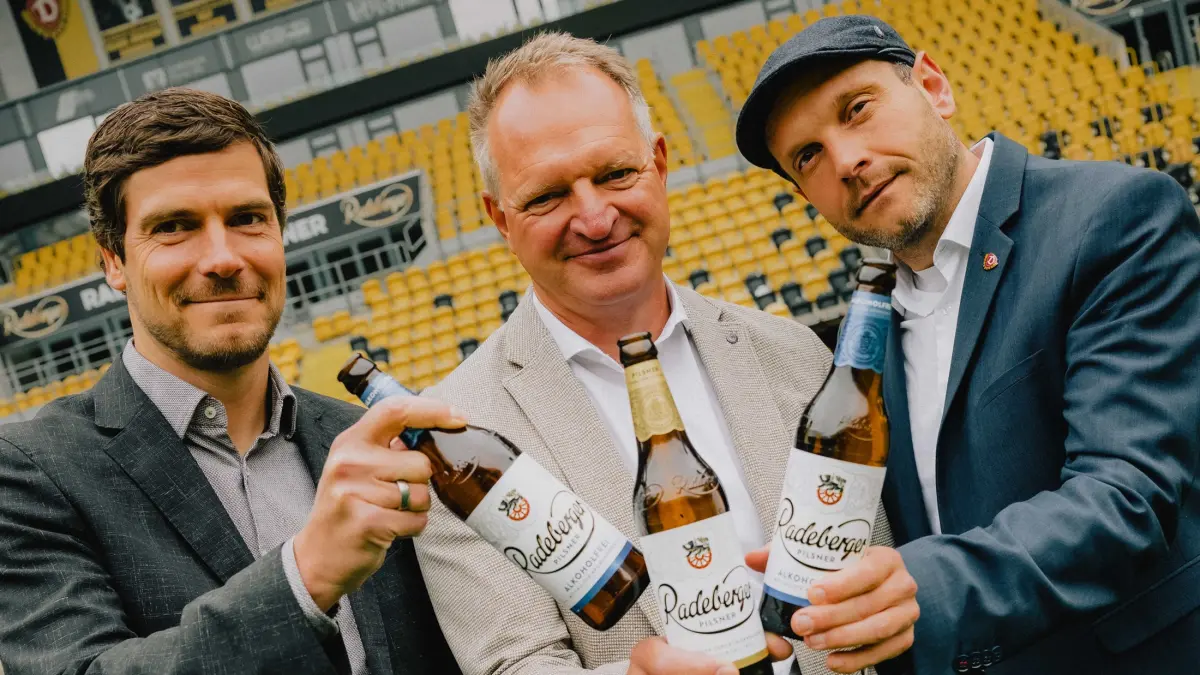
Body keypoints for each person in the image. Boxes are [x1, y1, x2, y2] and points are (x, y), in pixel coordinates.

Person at [416, 32, 919, 675]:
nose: (595, 218)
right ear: (498, 217)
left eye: (615, 173)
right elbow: (511, 663)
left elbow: (880, 578)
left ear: (659, 161)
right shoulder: (453, 431)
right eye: (546, 196)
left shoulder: (793, 353)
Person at [734, 14, 1200, 675]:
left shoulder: (1114, 217)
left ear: (933, 86)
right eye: (807, 156)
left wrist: (921, 589)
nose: (846, 160)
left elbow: (1126, 496)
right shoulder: (864, 332)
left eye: (857, 109)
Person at [0, 88, 465, 675]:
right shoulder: (31, 471)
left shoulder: (364, 443)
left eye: (247, 219)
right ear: (113, 261)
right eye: (174, 227)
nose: (222, 258)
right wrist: (306, 576)